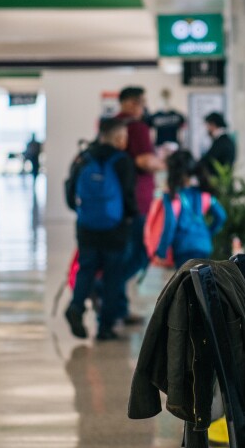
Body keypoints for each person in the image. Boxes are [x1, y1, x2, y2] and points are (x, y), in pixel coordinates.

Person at [64, 118, 138, 341]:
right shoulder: (122, 161)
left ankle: (76, 307)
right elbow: (128, 197)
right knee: (113, 276)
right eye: (124, 137)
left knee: (86, 269)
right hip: (115, 229)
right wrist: (130, 219)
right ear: (117, 138)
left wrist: (82, 213)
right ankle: (105, 327)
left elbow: (69, 193)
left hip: (87, 226)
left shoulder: (82, 158)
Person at [115, 86, 165, 325]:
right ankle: (108, 289)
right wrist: (162, 161)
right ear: (134, 103)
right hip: (138, 200)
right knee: (143, 253)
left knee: (123, 254)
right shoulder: (137, 128)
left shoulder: (112, 125)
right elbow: (145, 161)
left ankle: (118, 306)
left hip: (117, 202)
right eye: (142, 103)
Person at [147, 150, 227, 269]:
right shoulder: (204, 193)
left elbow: (170, 223)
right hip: (203, 246)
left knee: (187, 284)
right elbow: (221, 216)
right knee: (200, 283)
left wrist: (161, 251)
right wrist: (207, 233)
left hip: (183, 248)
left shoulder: (172, 196)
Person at [196, 112, 235, 181]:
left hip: (219, 183)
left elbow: (208, 159)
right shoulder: (226, 140)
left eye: (208, 126)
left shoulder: (221, 142)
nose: (207, 129)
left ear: (213, 125)